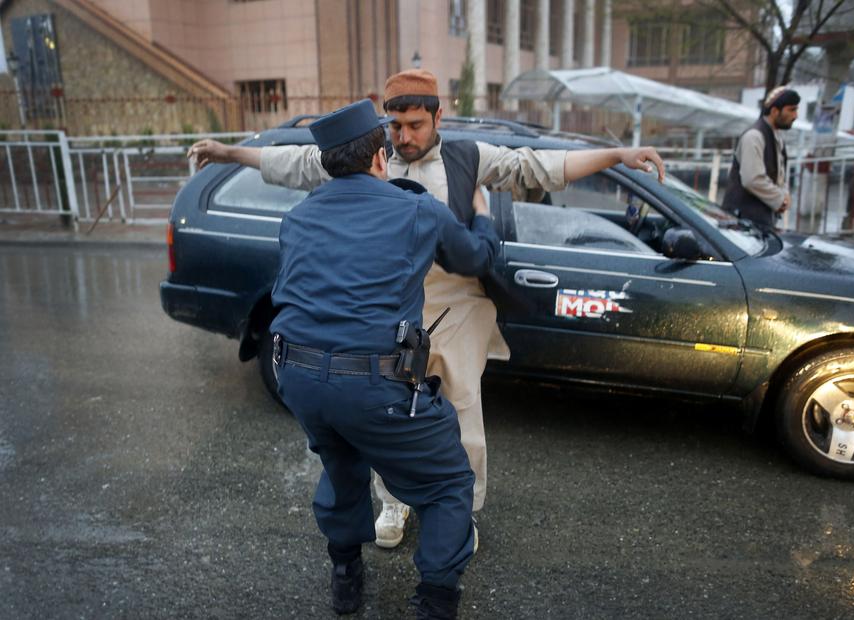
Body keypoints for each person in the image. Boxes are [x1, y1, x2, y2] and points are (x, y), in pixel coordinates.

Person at [188, 69, 665, 550]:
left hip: (456, 304)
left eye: (415, 125)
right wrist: (229, 153)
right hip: (389, 313)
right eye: (395, 126)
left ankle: (459, 511)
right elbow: (293, 161)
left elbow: (537, 165)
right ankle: (393, 502)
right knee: (388, 411)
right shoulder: (368, 156)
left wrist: (618, 156)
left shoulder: (468, 156)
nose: (404, 137)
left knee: (460, 410)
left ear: (439, 116)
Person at [270, 98, 499, 618]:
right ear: (379, 157)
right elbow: (472, 257)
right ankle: (435, 601)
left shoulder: (297, 217)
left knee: (342, 459)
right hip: (373, 385)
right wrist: (483, 217)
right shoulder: (415, 207)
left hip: (299, 378)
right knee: (447, 484)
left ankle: (346, 573)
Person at [722, 86, 801, 231]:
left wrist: (784, 195)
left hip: (758, 221)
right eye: (791, 110)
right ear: (774, 111)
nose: (795, 115)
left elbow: (779, 176)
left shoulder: (776, 137)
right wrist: (780, 199)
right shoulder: (754, 136)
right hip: (741, 223)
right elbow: (752, 179)